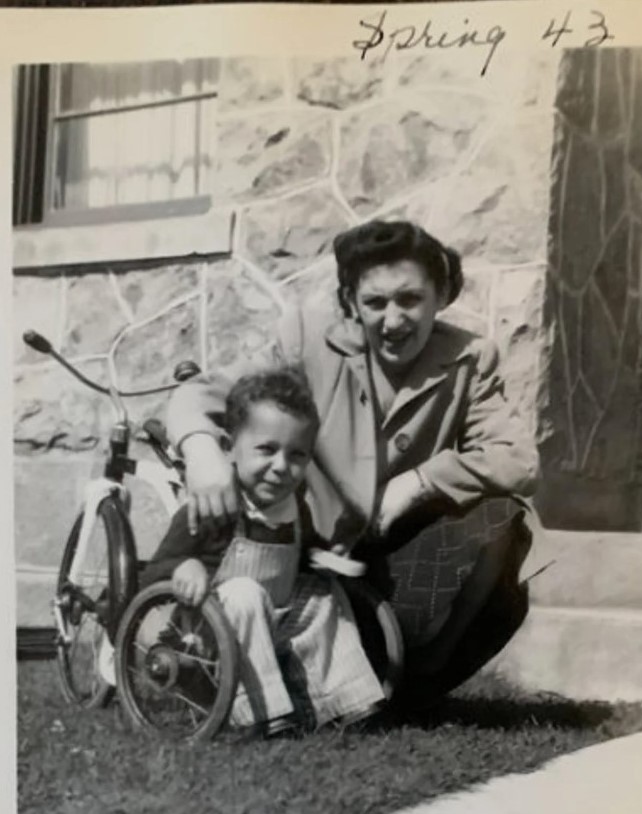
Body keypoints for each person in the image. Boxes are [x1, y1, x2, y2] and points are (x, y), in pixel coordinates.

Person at [166, 220, 542, 709]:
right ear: (350, 302)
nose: (393, 320)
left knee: (504, 525)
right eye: (375, 303)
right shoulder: (308, 339)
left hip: (394, 553)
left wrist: (423, 480)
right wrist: (200, 451)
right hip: (303, 557)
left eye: (410, 299)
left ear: (440, 295)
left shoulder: (470, 359)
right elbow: (205, 394)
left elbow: (518, 459)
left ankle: (414, 688)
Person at [142, 366, 386, 736]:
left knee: (323, 596)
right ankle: (258, 712)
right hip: (206, 638)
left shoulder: (293, 505)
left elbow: (295, 554)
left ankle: (343, 699)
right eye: (267, 450)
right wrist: (186, 565)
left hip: (270, 625)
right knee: (244, 594)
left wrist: (319, 558)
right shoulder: (212, 508)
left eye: (297, 455)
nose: (281, 468)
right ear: (229, 449)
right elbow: (156, 572)